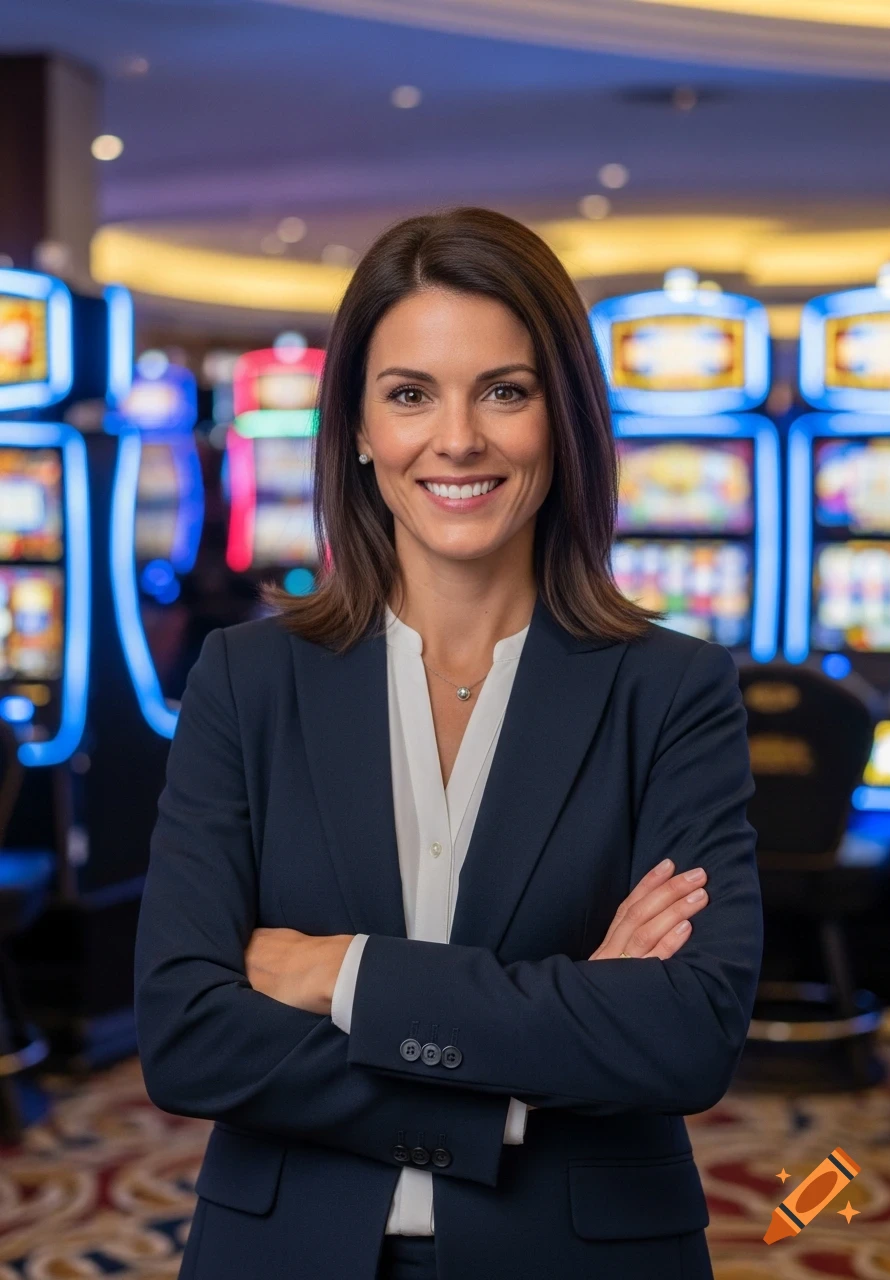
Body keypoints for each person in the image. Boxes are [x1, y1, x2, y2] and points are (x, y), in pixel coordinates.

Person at [134, 207, 763, 1280]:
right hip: (283, 1249)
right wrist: (533, 1058)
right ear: (358, 426)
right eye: (410, 393)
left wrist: (339, 970)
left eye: (504, 391)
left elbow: (682, 1034)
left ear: (562, 418)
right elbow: (187, 1033)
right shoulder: (247, 680)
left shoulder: (671, 690)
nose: (458, 438)